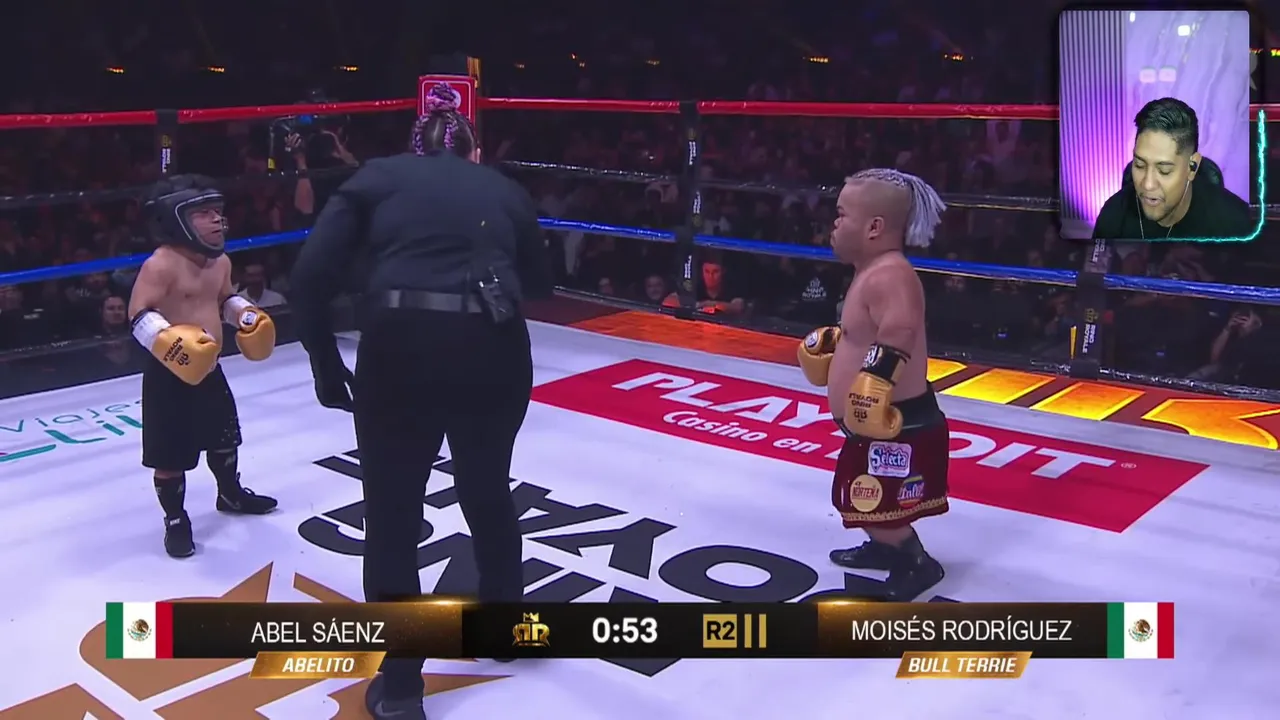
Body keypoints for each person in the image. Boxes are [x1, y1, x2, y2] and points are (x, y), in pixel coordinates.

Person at [289, 84, 553, 720]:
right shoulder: (503, 188)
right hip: (492, 348)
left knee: (393, 512)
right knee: (487, 487)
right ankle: (506, 628)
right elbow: (541, 285)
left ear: (414, 150)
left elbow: (308, 278)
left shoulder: (377, 178)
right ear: (474, 152)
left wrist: (325, 361)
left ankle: (403, 684)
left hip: (401, 347)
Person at [796, 168, 950, 601]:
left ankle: (914, 562)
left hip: (898, 423)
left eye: (842, 214)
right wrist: (840, 343)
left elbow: (900, 330)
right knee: (863, 493)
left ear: (874, 227)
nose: (834, 223)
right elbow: (872, 330)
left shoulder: (891, 274)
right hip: (874, 422)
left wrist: (873, 380)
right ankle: (884, 548)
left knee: (880, 501)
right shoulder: (872, 271)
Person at [127, 174, 279, 559]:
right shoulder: (160, 265)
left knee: (225, 436)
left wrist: (245, 315)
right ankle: (175, 519)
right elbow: (138, 314)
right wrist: (169, 341)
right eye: (204, 213)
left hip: (210, 367)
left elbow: (224, 298)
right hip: (169, 374)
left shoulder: (219, 261)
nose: (216, 220)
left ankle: (230, 493)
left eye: (217, 211)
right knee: (168, 455)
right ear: (175, 218)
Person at [1092, 97, 1253, 241]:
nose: (1147, 184)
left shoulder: (1237, 225)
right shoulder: (1112, 217)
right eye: (1139, 165)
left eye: (1164, 171)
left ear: (1192, 167)